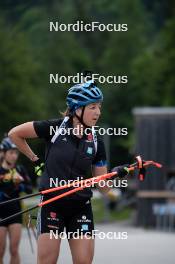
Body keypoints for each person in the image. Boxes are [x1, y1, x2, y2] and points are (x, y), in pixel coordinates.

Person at [8, 80, 128, 264]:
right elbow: (14, 134)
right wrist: (35, 160)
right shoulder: (54, 128)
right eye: (93, 107)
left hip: (80, 206)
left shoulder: (96, 141)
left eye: (99, 107)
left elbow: (103, 187)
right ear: (77, 109)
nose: (98, 112)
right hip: (52, 203)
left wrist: (115, 174)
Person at [0, 137, 32, 264]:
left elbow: (30, 190)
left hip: (16, 213)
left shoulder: (20, 170)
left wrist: (21, 183)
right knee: (1, 250)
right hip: (1, 214)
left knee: (14, 250)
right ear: (4, 153)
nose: (14, 156)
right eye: (11, 153)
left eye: (16, 153)